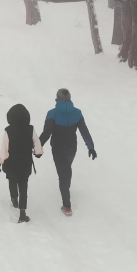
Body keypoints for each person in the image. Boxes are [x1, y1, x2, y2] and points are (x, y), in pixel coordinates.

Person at [39, 88, 96, 217]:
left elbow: (47, 133)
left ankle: (67, 205)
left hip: (58, 148)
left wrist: (38, 147)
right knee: (66, 168)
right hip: (71, 148)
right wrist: (91, 147)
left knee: (63, 175)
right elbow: (84, 132)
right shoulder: (77, 113)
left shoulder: (52, 114)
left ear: (57, 99)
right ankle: (66, 187)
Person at [0, 104, 44, 223]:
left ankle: (14, 199)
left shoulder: (8, 131)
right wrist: (38, 153)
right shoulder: (30, 129)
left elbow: (4, 149)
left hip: (11, 164)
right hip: (25, 164)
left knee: (12, 181)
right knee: (23, 187)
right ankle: (22, 213)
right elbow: (37, 144)